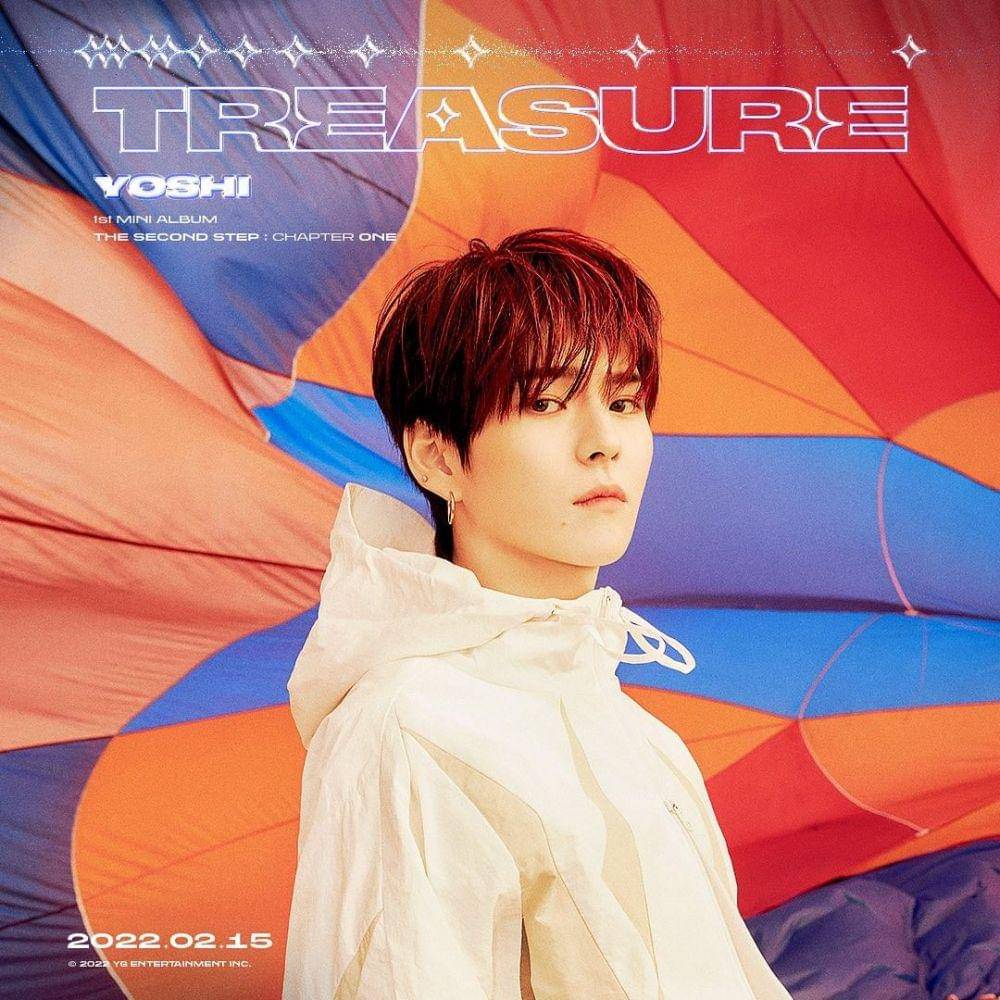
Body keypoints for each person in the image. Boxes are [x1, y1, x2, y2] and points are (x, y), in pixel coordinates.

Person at [282, 228, 793, 999]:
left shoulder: (637, 732)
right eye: (547, 402)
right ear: (438, 458)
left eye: (623, 402)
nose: (602, 443)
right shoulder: (408, 729)